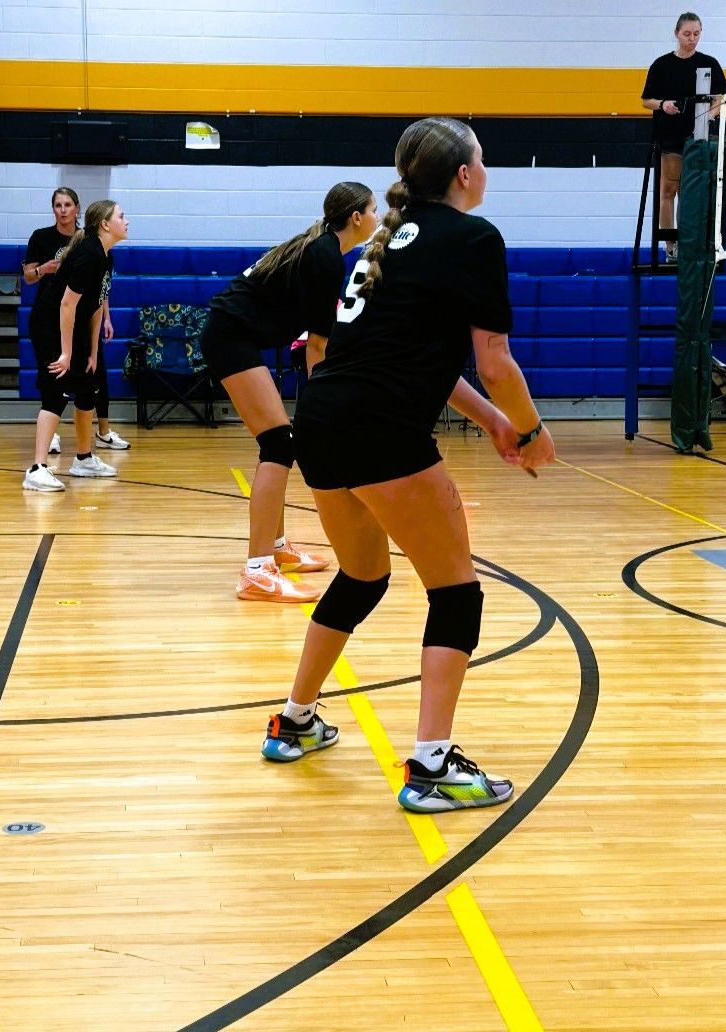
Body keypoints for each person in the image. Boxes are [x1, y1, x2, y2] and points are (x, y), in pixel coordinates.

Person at [258, 117, 555, 814]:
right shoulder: (474, 239)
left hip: (324, 421)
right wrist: (535, 429)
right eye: (483, 159)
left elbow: (429, 362)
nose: (486, 170)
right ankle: (431, 768)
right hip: (380, 427)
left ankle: (294, 721)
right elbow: (495, 360)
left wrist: (494, 425)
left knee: (363, 577)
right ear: (463, 175)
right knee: (457, 594)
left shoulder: (377, 247)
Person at [202, 182, 378, 602]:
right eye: (374, 208)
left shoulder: (324, 248)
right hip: (230, 337)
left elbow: (314, 343)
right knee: (279, 443)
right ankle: (257, 570)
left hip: (234, 336)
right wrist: (324, 407)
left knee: (279, 444)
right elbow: (316, 348)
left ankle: (276, 550)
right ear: (356, 217)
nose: (378, 216)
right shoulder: (324, 256)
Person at [22, 199, 128, 490]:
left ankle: (83, 459)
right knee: (57, 389)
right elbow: (67, 304)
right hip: (50, 323)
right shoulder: (88, 254)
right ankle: (37, 469)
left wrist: (92, 351)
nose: (126, 220)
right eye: (121, 215)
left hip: (76, 324)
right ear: (105, 224)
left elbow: (94, 306)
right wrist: (66, 353)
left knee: (87, 386)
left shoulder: (106, 255)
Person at [641, 12, 726, 260]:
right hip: (669, 138)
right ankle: (670, 246)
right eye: (687, 34)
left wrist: (710, 114)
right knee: (668, 191)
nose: (692, 39)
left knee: (691, 193)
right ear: (677, 33)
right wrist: (663, 105)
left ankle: (691, 243)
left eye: (697, 34)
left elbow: (720, 96)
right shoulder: (661, 65)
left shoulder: (709, 63)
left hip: (698, 139)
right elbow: (646, 101)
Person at [22, 187, 82, 458]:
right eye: (58, 205)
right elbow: (28, 277)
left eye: (68, 204)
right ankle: (49, 435)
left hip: (78, 316)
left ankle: (88, 447)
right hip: (48, 316)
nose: (63, 209)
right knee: (52, 373)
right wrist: (44, 268)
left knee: (82, 378)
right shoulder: (41, 236)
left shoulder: (86, 239)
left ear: (77, 208)